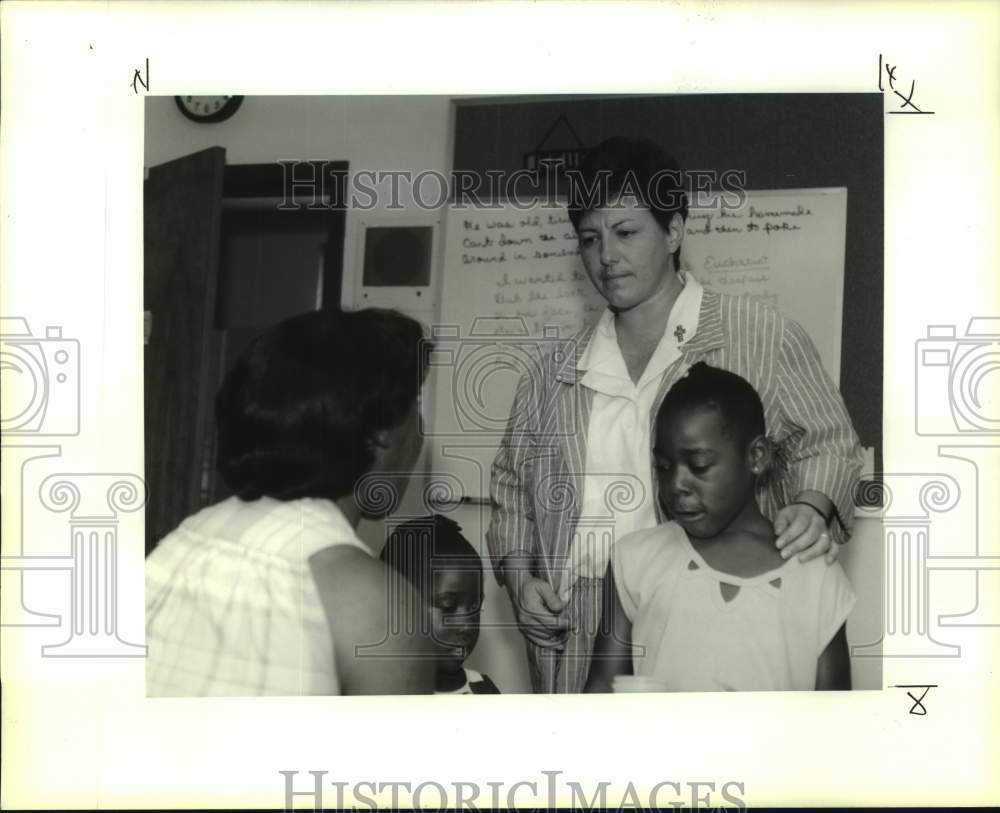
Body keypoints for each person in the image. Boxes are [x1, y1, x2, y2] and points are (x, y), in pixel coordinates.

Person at [488, 136, 863, 693]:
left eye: (626, 232)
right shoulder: (551, 375)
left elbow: (830, 442)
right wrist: (520, 579)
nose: (606, 256)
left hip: (711, 612)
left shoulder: (760, 336)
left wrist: (811, 505)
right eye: (590, 239)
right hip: (575, 628)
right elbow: (511, 488)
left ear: (675, 232)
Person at [145, 308, 436, 696]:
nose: (422, 434)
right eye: (415, 406)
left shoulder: (178, 546)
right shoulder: (374, 606)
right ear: (382, 432)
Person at [585, 363, 855, 692]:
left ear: (756, 457)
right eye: (664, 467)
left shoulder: (816, 575)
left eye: (698, 465)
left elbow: (835, 720)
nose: (676, 484)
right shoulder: (634, 560)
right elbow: (601, 691)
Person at [381, 514, 501, 694]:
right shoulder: (379, 696)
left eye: (474, 607)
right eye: (448, 607)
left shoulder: (484, 690)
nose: (466, 625)